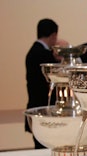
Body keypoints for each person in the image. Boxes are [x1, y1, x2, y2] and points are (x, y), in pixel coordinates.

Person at [25, 18, 60, 149]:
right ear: (53, 35)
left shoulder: (32, 51)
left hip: (34, 105)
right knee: (44, 149)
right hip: (44, 109)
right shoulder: (44, 55)